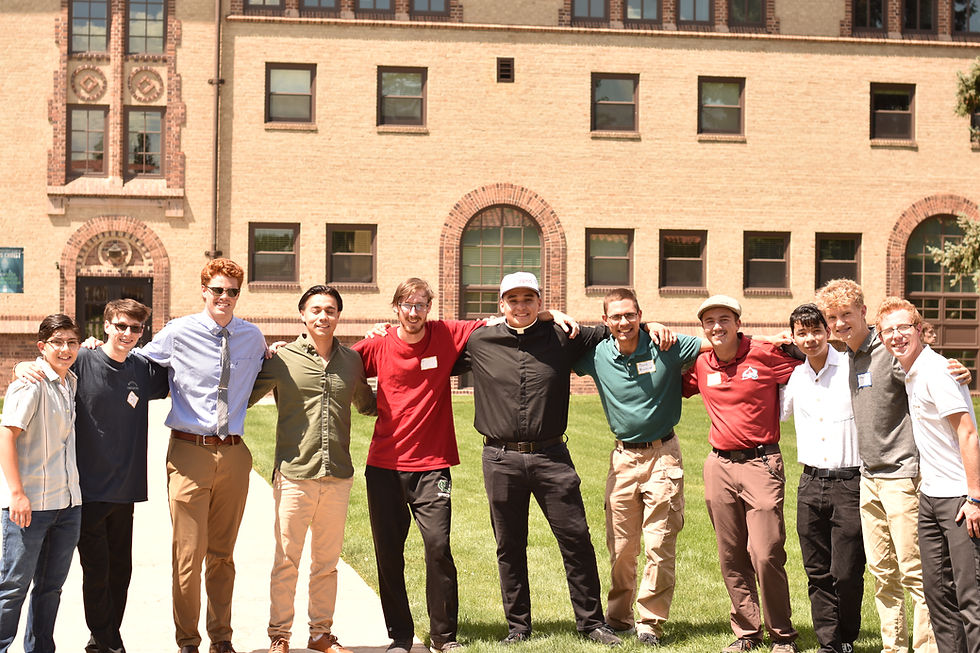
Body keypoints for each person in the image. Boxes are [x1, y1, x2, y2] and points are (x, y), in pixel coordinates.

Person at [457, 271, 621, 646]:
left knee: (576, 538)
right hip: (500, 458)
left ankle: (591, 623)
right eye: (512, 300)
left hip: (552, 457)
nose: (520, 306)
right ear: (501, 305)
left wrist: (654, 324)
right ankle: (518, 627)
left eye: (528, 299)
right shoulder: (480, 341)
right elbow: (429, 346)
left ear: (539, 301)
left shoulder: (563, 337)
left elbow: (614, 330)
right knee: (509, 545)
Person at [138, 258, 268, 653]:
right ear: (204, 291)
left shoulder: (253, 337)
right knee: (188, 557)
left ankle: (222, 639)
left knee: (223, 556)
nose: (224, 297)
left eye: (232, 291)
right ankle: (188, 642)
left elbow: (267, 369)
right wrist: (91, 349)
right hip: (189, 454)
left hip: (234, 456)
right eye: (217, 290)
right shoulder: (178, 332)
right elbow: (131, 362)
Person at [351, 278, 484, 653]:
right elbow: (334, 360)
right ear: (396, 308)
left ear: (429, 307)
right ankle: (400, 636)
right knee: (388, 553)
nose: (414, 312)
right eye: (407, 305)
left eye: (421, 305)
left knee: (438, 546)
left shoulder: (445, 333)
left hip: (432, 466)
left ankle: (444, 636)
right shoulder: (378, 344)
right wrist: (280, 349)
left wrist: (548, 313)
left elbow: (498, 323)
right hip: (384, 467)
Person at [815, 279, 941, 653]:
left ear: (863, 314)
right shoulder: (849, 354)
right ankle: (893, 647)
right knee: (882, 573)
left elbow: (924, 373)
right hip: (869, 478)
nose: (839, 324)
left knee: (914, 571)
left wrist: (955, 371)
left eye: (846, 315)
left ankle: (926, 647)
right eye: (833, 317)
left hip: (903, 477)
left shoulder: (888, 349)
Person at [572, 288, 702, 647]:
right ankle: (618, 618)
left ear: (640, 315)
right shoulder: (597, 355)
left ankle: (650, 623)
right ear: (605, 321)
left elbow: (720, 344)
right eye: (616, 316)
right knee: (622, 547)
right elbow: (551, 346)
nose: (624, 322)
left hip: (664, 455)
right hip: (623, 459)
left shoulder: (667, 346)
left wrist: (780, 340)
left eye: (630, 315)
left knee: (659, 543)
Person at [249, 285, 376, 653]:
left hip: (337, 475)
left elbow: (367, 404)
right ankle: (280, 635)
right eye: (316, 310)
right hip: (294, 476)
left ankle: (321, 633)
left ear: (339, 316)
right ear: (302, 314)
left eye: (331, 310)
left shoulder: (351, 361)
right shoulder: (283, 359)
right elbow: (243, 395)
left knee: (327, 562)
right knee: (286, 561)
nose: (324, 316)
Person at [682, 295, 801, 653]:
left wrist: (792, 343)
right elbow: (669, 382)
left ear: (737, 322)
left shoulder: (765, 353)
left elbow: (816, 364)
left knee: (765, 552)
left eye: (724, 320)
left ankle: (782, 635)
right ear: (703, 329)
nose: (717, 327)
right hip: (719, 465)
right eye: (709, 322)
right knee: (730, 553)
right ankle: (747, 633)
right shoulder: (702, 364)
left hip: (761, 463)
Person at [875, 297, 980, 653]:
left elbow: (968, 433)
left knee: (971, 599)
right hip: (930, 498)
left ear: (920, 330)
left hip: (959, 499)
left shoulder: (937, 372)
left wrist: (975, 497)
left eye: (904, 327)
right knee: (938, 596)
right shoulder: (910, 372)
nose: (897, 336)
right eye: (889, 330)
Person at [779, 304, 863, 653]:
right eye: (802, 333)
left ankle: (845, 635)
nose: (810, 339)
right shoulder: (796, 377)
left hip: (849, 483)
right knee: (816, 570)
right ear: (795, 337)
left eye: (816, 330)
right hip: (810, 483)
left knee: (846, 571)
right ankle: (830, 643)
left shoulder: (851, 367)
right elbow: (777, 414)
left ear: (827, 331)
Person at [0, 314, 83, 653]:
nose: (65, 349)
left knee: (50, 588)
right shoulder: (30, 383)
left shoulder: (70, 381)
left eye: (71, 342)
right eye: (57, 342)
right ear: (42, 347)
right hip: (29, 507)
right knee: (12, 587)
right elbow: (6, 435)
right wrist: (17, 494)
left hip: (66, 505)